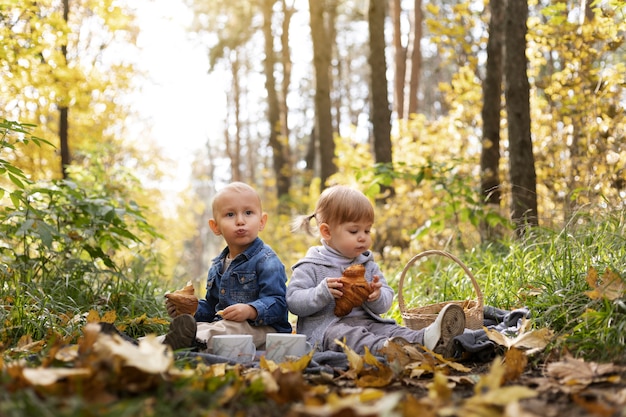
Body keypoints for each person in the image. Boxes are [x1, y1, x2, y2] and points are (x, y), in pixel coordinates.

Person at [286, 185, 466, 358]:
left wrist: (377, 296)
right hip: (327, 329)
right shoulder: (311, 265)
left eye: (367, 230)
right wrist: (321, 293)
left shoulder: (367, 264)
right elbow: (294, 301)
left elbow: (386, 302)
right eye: (354, 230)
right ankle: (386, 349)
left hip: (369, 323)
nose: (363, 236)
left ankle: (426, 339)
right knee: (347, 336)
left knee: (393, 330)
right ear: (326, 232)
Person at [162, 181, 292, 353]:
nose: (240, 221)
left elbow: (279, 303)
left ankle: (179, 345)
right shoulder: (218, 265)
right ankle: (145, 345)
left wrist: (251, 310)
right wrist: (190, 310)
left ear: (261, 221)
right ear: (215, 226)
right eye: (230, 214)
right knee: (201, 326)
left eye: (248, 213)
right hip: (226, 327)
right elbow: (212, 308)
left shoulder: (267, 260)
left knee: (224, 330)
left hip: (266, 330)